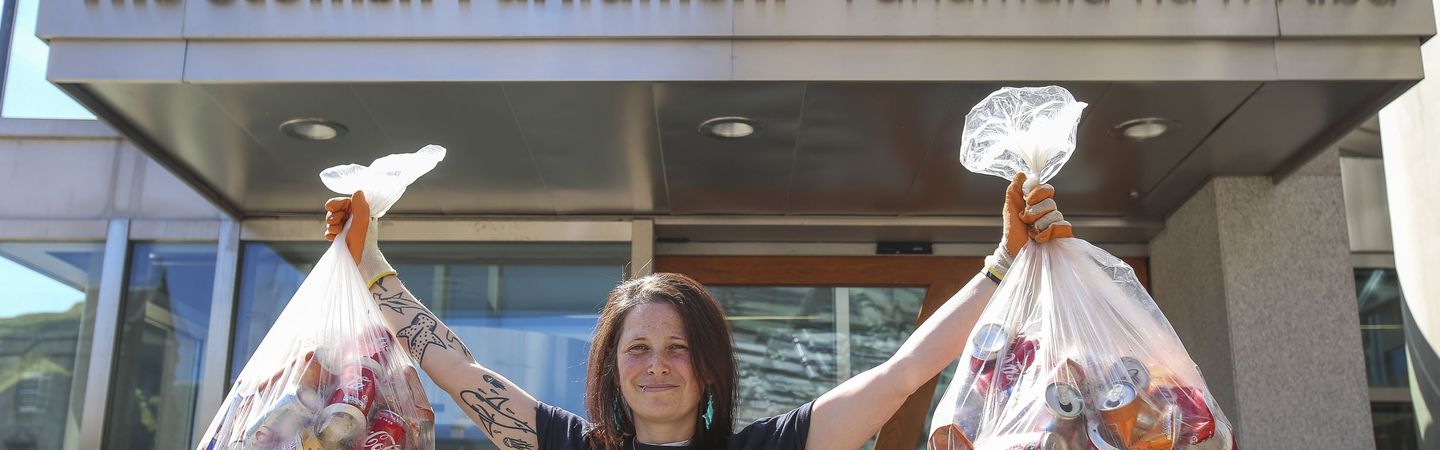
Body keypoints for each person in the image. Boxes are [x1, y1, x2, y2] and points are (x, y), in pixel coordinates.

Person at [322, 173, 1072, 450]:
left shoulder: (773, 447)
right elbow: (456, 370)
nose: (655, 365)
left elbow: (905, 373)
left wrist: (1001, 264)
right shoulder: (563, 444)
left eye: (677, 348)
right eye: (636, 349)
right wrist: (371, 264)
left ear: (708, 365)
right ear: (611, 370)